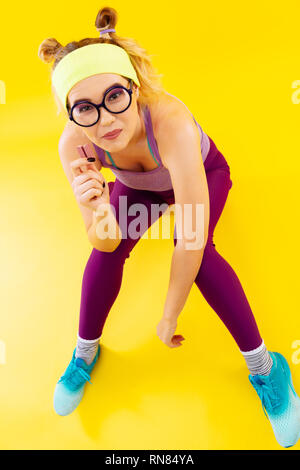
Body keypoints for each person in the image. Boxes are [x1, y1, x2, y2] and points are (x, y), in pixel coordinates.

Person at [38, 6, 300, 448]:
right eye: (84, 108)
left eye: (115, 98)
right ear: (69, 112)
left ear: (134, 88)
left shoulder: (170, 121)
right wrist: (99, 206)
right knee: (104, 254)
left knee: (200, 254)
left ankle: (266, 367)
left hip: (202, 174)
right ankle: (84, 352)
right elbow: (104, 240)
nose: (104, 120)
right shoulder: (74, 144)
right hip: (136, 188)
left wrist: (168, 315)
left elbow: (191, 240)